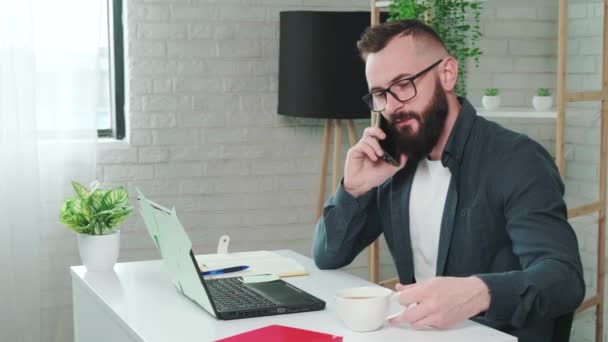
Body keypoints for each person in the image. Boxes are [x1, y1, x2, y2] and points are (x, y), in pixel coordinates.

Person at [312, 19, 584, 342]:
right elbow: (328, 255)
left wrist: (481, 293)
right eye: (380, 94)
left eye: (404, 84)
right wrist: (353, 189)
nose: (393, 105)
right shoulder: (392, 163)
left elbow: (564, 278)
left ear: (447, 74)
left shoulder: (517, 160)